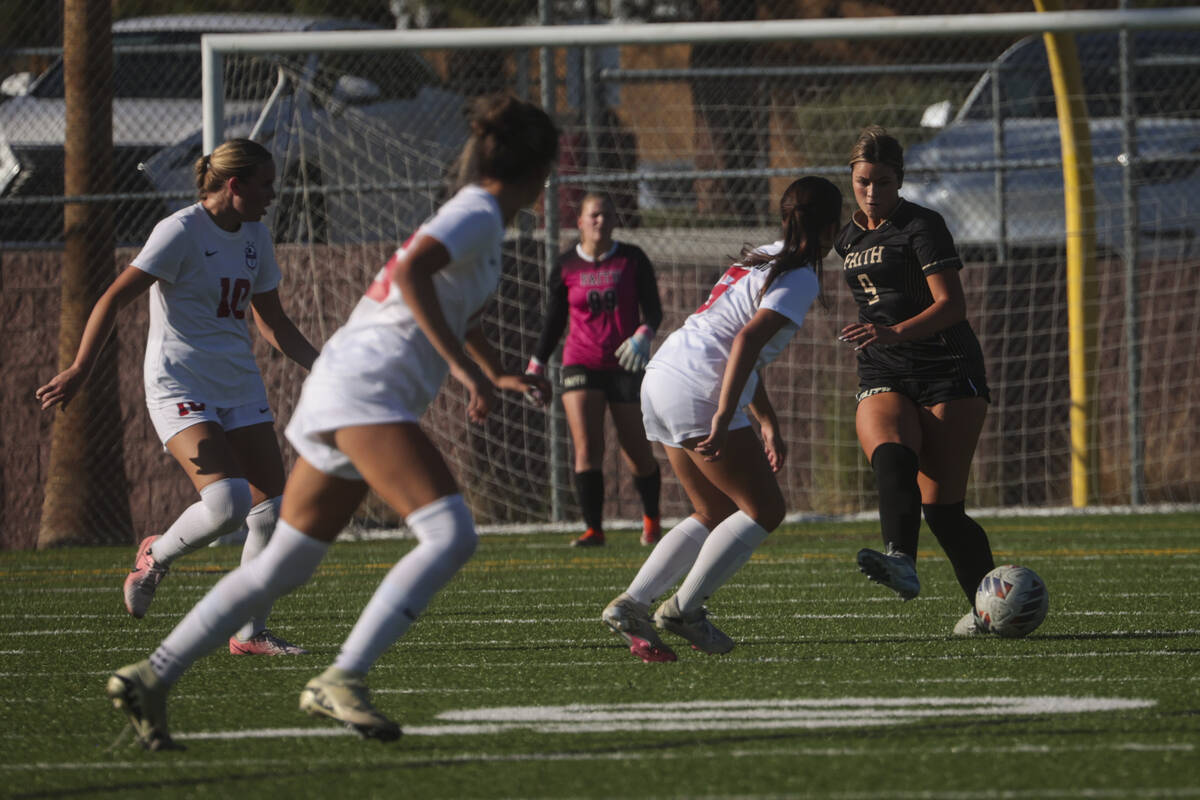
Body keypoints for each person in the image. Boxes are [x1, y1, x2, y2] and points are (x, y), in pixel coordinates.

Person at [101, 93, 558, 750]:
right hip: (366, 390)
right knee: (450, 534)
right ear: (539, 170)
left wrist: (493, 368)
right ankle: (343, 677)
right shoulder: (480, 210)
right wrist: (466, 373)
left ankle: (153, 674)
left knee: (281, 562)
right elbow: (411, 272)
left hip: (348, 386)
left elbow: (461, 308)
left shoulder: (484, 219)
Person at [36, 138, 319, 656]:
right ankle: (155, 558)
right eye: (264, 184)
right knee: (228, 502)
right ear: (233, 185)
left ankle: (249, 633)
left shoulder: (256, 234)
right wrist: (80, 367)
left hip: (238, 382)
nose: (272, 195)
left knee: (270, 512)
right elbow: (113, 297)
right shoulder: (180, 230)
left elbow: (272, 320)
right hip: (179, 383)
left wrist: (322, 366)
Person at [601, 176, 843, 662]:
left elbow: (735, 343)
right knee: (765, 510)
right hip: (696, 388)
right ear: (832, 228)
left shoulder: (761, 257)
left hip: (664, 376)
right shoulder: (799, 274)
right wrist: (725, 415)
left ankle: (633, 602)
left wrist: (766, 418)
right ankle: (684, 610)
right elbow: (745, 342)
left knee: (714, 512)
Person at [834, 125, 995, 635]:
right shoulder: (847, 236)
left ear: (899, 180)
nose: (872, 191)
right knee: (890, 451)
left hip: (946, 369)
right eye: (863, 181)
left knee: (943, 509)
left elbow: (953, 306)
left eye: (883, 181)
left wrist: (892, 332)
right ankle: (900, 558)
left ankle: (991, 608)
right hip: (884, 368)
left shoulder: (922, 225)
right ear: (852, 179)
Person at [526, 192, 664, 547]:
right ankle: (593, 529)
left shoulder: (632, 259)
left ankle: (651, 521)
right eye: (593, 215)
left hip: (625, 363)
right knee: (587, 447)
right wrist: (536, 364)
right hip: (580, 362)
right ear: (580, 222)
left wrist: (643, 334)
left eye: (606, 215)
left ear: (615, 220)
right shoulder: (566, 265)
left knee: (636, 448)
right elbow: (554, 321)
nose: (600, 220)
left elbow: (653, 311)